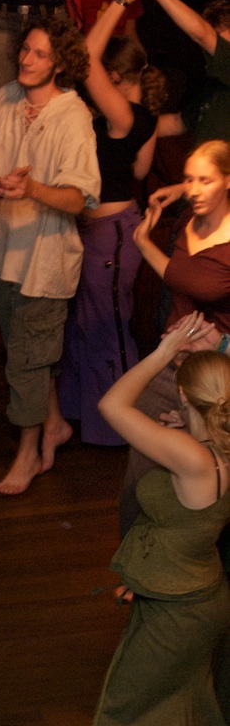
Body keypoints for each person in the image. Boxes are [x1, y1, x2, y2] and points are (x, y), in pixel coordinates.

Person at [78, 317, 230, 726]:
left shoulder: (193, 457)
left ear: (185, 395)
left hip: (181, 610)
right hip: (185, 594)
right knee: (179, 706)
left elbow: (112, 406)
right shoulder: (206, 447)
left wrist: (165, 351)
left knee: (134, 711)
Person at [0, 17, 101, 495]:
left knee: (27, 364)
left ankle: (28, 453)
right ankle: (54, 425)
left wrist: (32, 188)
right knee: (29, 353)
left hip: (46, 261)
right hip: (4, 253)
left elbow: (79, 199)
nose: (27, 60)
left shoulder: (73, 117)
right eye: (26, 49)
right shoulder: (7, 98)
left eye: (40, 54)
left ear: (61, 64)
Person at [57, 0, 162, 448]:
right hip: (100, 230)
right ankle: (83, 416)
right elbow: (139, 171)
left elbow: (83, 58)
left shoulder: (127, 115)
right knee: (84, 324)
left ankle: (120, 427)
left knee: (107, 328)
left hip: (113, 234)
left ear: (114, 77)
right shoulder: (129, 118)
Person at [119, 139, 230, 535]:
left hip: (215, 377)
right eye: (189, 180)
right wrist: (183, 189)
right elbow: (182, 282)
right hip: (171, 361)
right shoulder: (188, 218)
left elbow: (188, 278)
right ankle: (135, 558)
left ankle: (182, 561)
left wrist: (142, 244)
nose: (194, 190)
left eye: (205, 180)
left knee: (203, 489)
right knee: (140, 472)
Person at [136, 0, 230, 146]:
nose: (213, 50)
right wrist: (125, 124)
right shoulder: (214, 87)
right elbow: (176, 123)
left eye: (220, 43)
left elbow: (201, 34)